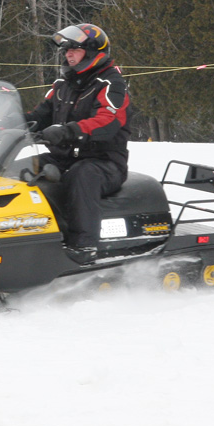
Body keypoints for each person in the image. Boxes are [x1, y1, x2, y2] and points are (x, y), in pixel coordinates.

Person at [25, 23, 130, 264]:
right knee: (21, 170)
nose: (68, 55)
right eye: (66, 50)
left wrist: (69, 131)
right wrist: (8, 122)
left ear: (92, 53)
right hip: (63, 157)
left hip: (104, 162)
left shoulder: (111, 84)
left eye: (75, 50)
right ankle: (21, 234)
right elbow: (40, 114)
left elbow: (108, 120)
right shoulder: (63, 85)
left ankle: (84, 246)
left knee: (82, 175)